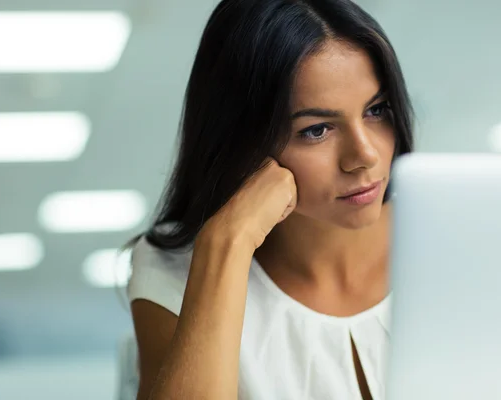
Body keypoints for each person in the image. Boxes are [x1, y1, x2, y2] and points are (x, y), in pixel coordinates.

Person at [127, 0, 413, 399]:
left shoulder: (443, 238)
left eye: (376, 110)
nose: (365, 155)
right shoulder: (173, 270)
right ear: (243, 139)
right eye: (316, 130)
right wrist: (228, 241)